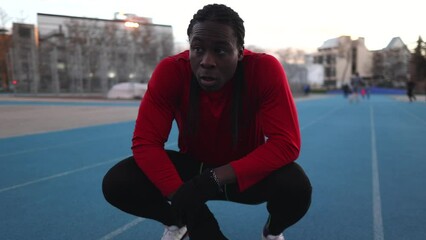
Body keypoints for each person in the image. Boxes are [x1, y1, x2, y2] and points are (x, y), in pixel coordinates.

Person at [102, 4, 312, 240]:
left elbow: (286, 143)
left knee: (296, 187)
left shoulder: (264, 69)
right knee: (118, 181)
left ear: (240, 52)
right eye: (198, 49)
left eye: (220, 51)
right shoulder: (171, 71)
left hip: (243, 173)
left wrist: (211, 181)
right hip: (193, 169)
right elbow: (146, 143)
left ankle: (272, 232)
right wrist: (192, 211)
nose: (206, 61)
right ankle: (178, 223)